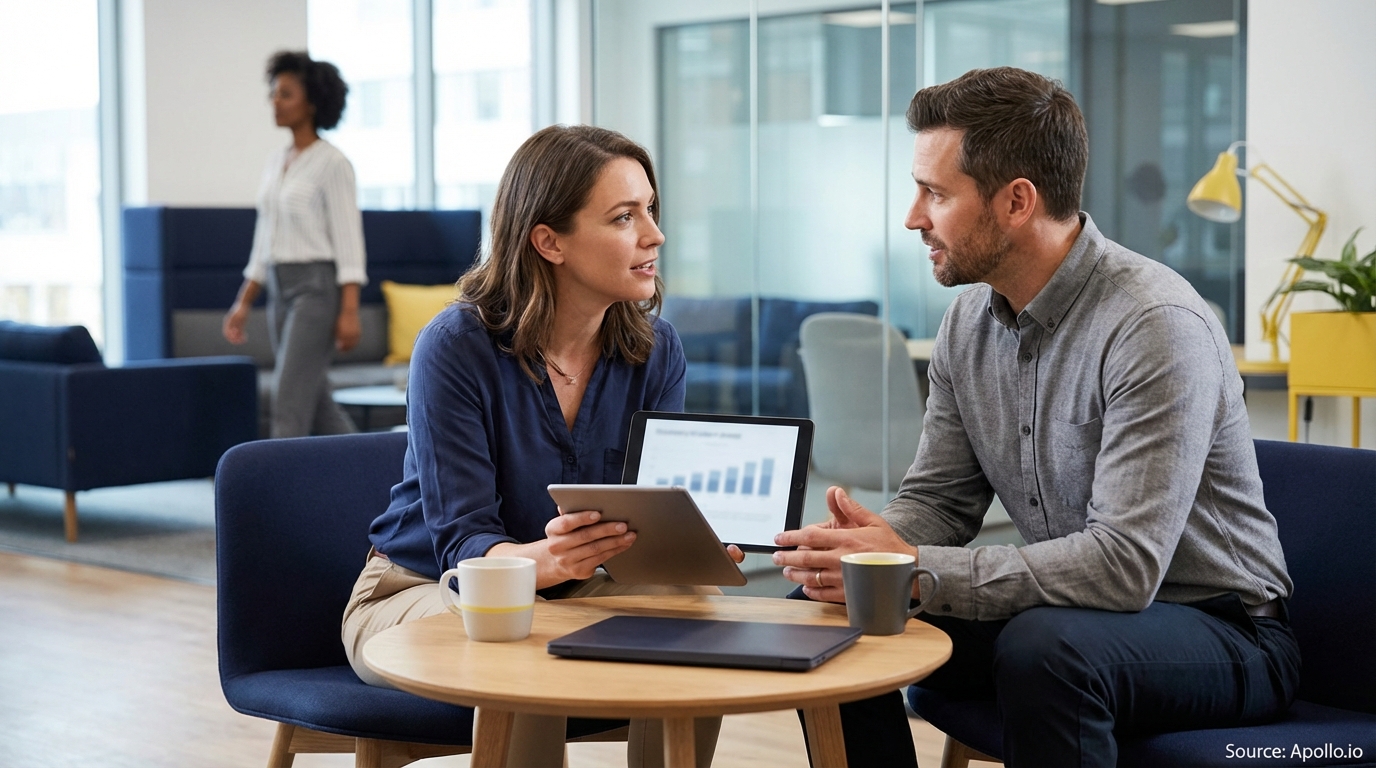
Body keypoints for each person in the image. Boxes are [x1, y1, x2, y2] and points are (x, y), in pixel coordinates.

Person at [773, 67, 1299, 767]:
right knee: (838, 604)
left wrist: (917, 569)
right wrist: (875, 551)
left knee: (1045, 650)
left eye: (935, 193)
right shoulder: (968, 320)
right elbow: (940, 499)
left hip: (1222, 632)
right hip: (1068, 618)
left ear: (1017, 201)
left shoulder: (1154, 324)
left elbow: (1123, 566)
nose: (912, 217)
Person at [341, 125, 736, 768]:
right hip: (422, 590)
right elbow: (463, 539)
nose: (654, 235)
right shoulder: (457, 345)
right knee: (516, 626)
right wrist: (545, 565)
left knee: (700, 610)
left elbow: (645, 507)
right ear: (549, 241)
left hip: (568, 590)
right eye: (623, 217)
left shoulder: (656, 349)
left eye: (651, 210)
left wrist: (683, 546)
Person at [223, 51, 364, 438]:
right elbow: (265, 237)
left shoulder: (333, 163)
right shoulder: (275, 162)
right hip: (279, 291)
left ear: (313, 101)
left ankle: (277, 494)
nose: (275, 102)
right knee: (313, 399)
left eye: (285, 93)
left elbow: (349, 240)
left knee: (287, 397)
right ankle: (375, 473)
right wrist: (244, 300)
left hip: (317, 291)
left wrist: (349, 310)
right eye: (273, 93)